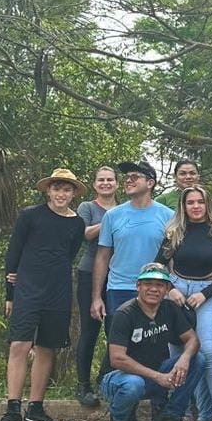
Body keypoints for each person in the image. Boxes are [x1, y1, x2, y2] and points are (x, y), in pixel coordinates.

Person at [0, 169, 87, 421]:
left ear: (73, 194)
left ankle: (35, 410)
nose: (61, 194)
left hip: (58, 291)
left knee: (47, 348)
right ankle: (12, 410)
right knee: (19, 345)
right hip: (27, 289)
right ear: (48, 191)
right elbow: (14, 252)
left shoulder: (77, 224)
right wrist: (10, 293)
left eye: (66, 189)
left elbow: (68, 255)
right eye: (57, 188)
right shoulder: (30, 215)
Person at [156, 185, 212, 421]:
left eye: (200, 202)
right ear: (183, 206)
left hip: (206, 293)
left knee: (210, 352)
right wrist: (170, 289)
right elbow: (157, 265)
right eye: (190, 202)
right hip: (177, 291)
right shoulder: (174, 233)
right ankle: (179, 413)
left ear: (207, 204)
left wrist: (205, 294)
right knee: (179, 354)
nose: (195, 207)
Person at [99, 263, 201, 421]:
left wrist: (184, 358)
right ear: (138, 286)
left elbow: (192, 339)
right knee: (133, 384)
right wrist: (157, 376)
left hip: (155, 373)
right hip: (118, 377)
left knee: (198, 360)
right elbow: (117, 359)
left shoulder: (169, 308)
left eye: (160, 285)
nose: (154, 289)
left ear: (167, 289)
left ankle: (170, 418)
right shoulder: (124, 314)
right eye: (148, 284)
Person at [90, 160, 174, 329]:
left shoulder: (169, 216)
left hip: (156, 287)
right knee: (117, 341)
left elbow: (172, 257)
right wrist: (96, 297)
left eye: (135, 177)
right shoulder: (112, 216)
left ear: (150, 183)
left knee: (154, 341)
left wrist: (172, 289)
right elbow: (102, 256)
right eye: (127, 177)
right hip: (119, 288)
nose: (129, 180)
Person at [72, 166, 117, 407]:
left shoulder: (124, 208)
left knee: (116, 330)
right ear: (95, 184)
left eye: (110, 179)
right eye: (101, 180)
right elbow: (84, 233)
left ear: (117, 184)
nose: (106, 183)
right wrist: (109, 220)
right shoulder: (88, 208)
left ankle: (105, 379)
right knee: (90, 330)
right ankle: (83, 385)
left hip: (118, 275)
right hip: (90, 272)